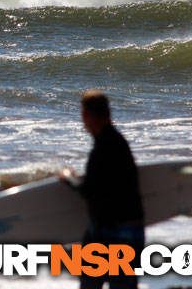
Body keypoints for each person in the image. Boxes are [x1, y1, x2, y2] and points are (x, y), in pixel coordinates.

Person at [61, 90, 144, 289]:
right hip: (129, 229)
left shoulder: (103, 148)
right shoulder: (119, 143)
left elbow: (88, 190)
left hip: (109, 232)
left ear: (85, 115)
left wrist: (68, 178)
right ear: (108, 112)